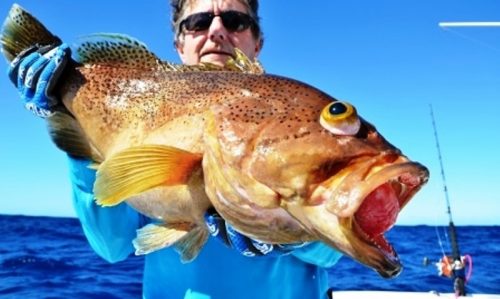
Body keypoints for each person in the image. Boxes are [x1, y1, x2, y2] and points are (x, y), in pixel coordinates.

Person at [8, 0, 343, 298]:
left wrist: (295, 235)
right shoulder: (143, 113)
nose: (216, 32)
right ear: (179, 42)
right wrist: (75, 127)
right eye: (197, 23)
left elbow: (337, 245)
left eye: (235, 21)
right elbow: (112, 245)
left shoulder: (298, 119)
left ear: (258, 42)